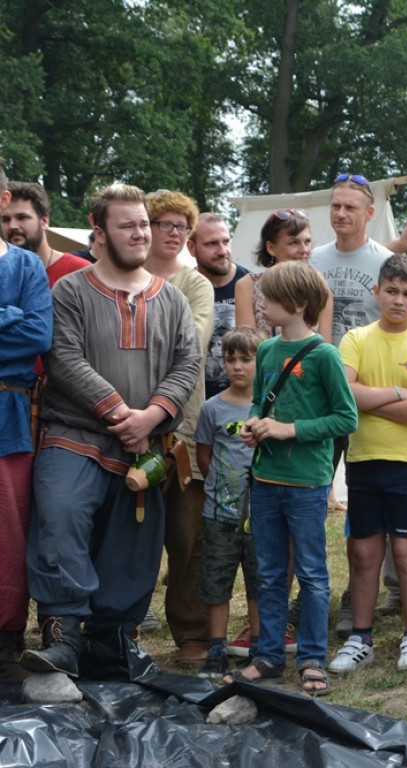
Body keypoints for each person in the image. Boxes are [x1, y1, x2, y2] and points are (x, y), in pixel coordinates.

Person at [22, 184, 202, 689]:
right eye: (128, 225)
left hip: (145, 446)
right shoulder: (71, 291)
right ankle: (63, 638)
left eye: (143, 223)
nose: (141, 233)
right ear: (98, 232)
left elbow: (189, 362)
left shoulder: (171, 298)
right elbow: (62, 357)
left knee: (134, 543)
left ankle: (111, 641)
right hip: (72, 434)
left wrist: (153, 416)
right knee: (60, 517)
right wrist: (123, 413)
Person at [226, 261, 358, 695]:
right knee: (268, 571)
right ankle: (267, 657)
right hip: (265, 479)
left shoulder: (325, 355)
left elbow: (346, 417)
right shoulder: (265, 350)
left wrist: (290, 430)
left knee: (312, 574)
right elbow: (260, 405)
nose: (260, 304)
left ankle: (311, 657)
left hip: (307, 483)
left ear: (298, 304)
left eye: (270, 298)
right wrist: (253, 424)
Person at [330, 255, 407, 672]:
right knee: (363, 554)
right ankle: (360, 638)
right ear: (376, 292)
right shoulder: (355, 339)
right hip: (363, 461)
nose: (398, 300)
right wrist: (400, 392)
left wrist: (372, 399)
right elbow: (345, 396)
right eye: (391, 291)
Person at [145, 189, 215, 660]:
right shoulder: (117, 276)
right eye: (164, 224)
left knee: (188, 535)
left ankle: (190, 630)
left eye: (181, 227)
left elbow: (194, 340)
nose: (173, 233)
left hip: (184, 428)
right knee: (129, 533)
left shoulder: (196, 284)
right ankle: (118, 625)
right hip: (124, 424)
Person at [0, 165, 53, 683]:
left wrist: (17, 319)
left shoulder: (25, 267)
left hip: (7, 413)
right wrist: (5, 315)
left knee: (7, 530)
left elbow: (36, 335)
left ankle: (5, 635)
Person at [193, 326, 263, 679]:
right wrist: (220, 488)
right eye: (229, 359)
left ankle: (259, 646)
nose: (237, 367)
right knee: (216, 581)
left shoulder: (268, 407)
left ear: (260, 362)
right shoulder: (212, 408)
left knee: (259, 581)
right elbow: (204, 454)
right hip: (220, 514)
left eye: (245, 359)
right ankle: (218, 647)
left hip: (260, 515)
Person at [310, 172, 393, 342]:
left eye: (350, 208)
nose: (340, 214)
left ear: (369, 213)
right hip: (319, 364)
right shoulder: (312, 259)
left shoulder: (388, 263)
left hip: (369, 364)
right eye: (336, 206)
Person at [236, 208, 332, 336]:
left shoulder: (320, 289)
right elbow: (245, 348)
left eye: (307, 241)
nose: (304, 250)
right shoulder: (248, 286)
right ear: (271, 248)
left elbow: (324, 347)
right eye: (293, 243)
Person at [190, 213, 250, 396]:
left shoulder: (252, 286)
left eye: (226, 241)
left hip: (242, 405)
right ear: (191, 248)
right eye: (211, 244)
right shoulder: (183, 290)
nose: (222, 250)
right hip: (196, 401)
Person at [1, 182, 89, 286]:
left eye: (22, 218)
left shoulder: (80, 272)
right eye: (5, 219)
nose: (12, 225)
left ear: (44, 221)